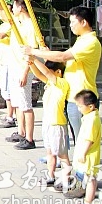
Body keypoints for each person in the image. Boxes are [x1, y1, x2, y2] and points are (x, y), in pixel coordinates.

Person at [25, 6, 101, 146]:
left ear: (84, 22)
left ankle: (83, 160)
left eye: (73, 22)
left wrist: (34, 52)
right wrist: (45, 54)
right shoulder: (81, 40)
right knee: (76, 138)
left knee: (84, 141)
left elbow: (63, 57)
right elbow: (63, 59)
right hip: (73, 96)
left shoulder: (90, 42)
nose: (70, 25)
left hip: (83, 98)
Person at [0, 0, 40, 150]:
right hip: (13, 67)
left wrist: (25, 72)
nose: (11, 8)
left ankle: (30, 139)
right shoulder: (15, 22)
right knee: (18, 103)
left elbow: (32, 52)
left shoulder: (30, 26)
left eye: (14, 5)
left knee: (26, 104)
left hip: (22, 69)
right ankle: (21, 132)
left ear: (21, 7)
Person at [25, 55, 70, 187]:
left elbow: (45, 72)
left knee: (62, 155)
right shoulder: (50, 83)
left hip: (58, 125)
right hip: (48, 123)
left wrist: (34, 58)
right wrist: (31, 63)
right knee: (50, 152)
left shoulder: (62, 83)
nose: (48, 74)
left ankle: (66, 180)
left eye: (50, 72)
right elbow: (39, 74)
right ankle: (51, 176)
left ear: (58, 72)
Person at [63, 90, 101, 204]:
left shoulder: (92, 120)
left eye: (80, 106)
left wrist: (83, 153)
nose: (78, 109)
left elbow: (90, 139)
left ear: (90, 106)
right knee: (89, 178)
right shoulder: (89, 117)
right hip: (88, 154)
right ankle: (87, 199)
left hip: (89, 155)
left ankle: (88, 201)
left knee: (90, 179)